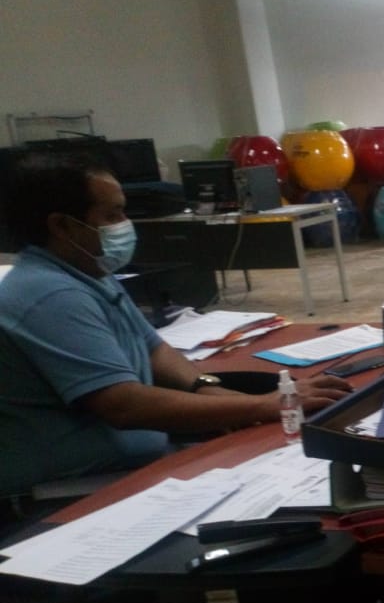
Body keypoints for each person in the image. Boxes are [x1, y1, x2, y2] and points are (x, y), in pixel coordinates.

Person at [0, 155, 354, 510]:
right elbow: (123, 405)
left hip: (140, 458)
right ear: (62, 226)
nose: (125, 225)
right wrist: (261, 405)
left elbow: (152, 347)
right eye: (112, 215)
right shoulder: (49, 295)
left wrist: (209, 390)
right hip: (76, 490)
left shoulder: (87, 271)